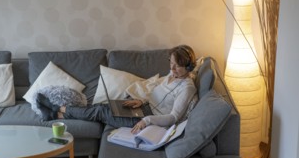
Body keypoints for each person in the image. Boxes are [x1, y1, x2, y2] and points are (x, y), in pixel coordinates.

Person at [37, 45, 198, 134]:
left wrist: (146, 121)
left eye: (177, 65)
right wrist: (141, 100)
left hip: (150, 119)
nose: (172, 68)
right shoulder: (172, 75)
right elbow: (159, 94)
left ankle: (57, 109)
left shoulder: (187, 88)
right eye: (171, 62)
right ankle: (56, 113)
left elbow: (173, 117)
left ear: (189, 66)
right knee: (102, 106)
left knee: (100, 112)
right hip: (143, 108)